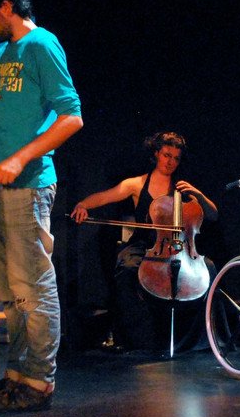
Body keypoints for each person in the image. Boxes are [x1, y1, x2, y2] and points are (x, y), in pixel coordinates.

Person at [0, 0, 83, 414]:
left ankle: (39, 382)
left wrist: (21, 158)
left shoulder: (41, 44)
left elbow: (72, 116)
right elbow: (6, 122)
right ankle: (15, 374)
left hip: (27, 187)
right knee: (9, 291)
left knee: (33, 285)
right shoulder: (2, 54)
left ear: (6, 7)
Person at [71, 132, 217, 354]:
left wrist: (199, 195)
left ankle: (195, 340)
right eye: (167, 155)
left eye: (176, 158)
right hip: (145, 245)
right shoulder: (137, 184)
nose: (171, 162)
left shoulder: (182, 188)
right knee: (127, 269)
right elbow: (105, 196)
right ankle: (139, 340)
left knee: (209, 269)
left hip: (179, 248)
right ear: (156, 153)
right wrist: (83, 204)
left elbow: (213, 214)